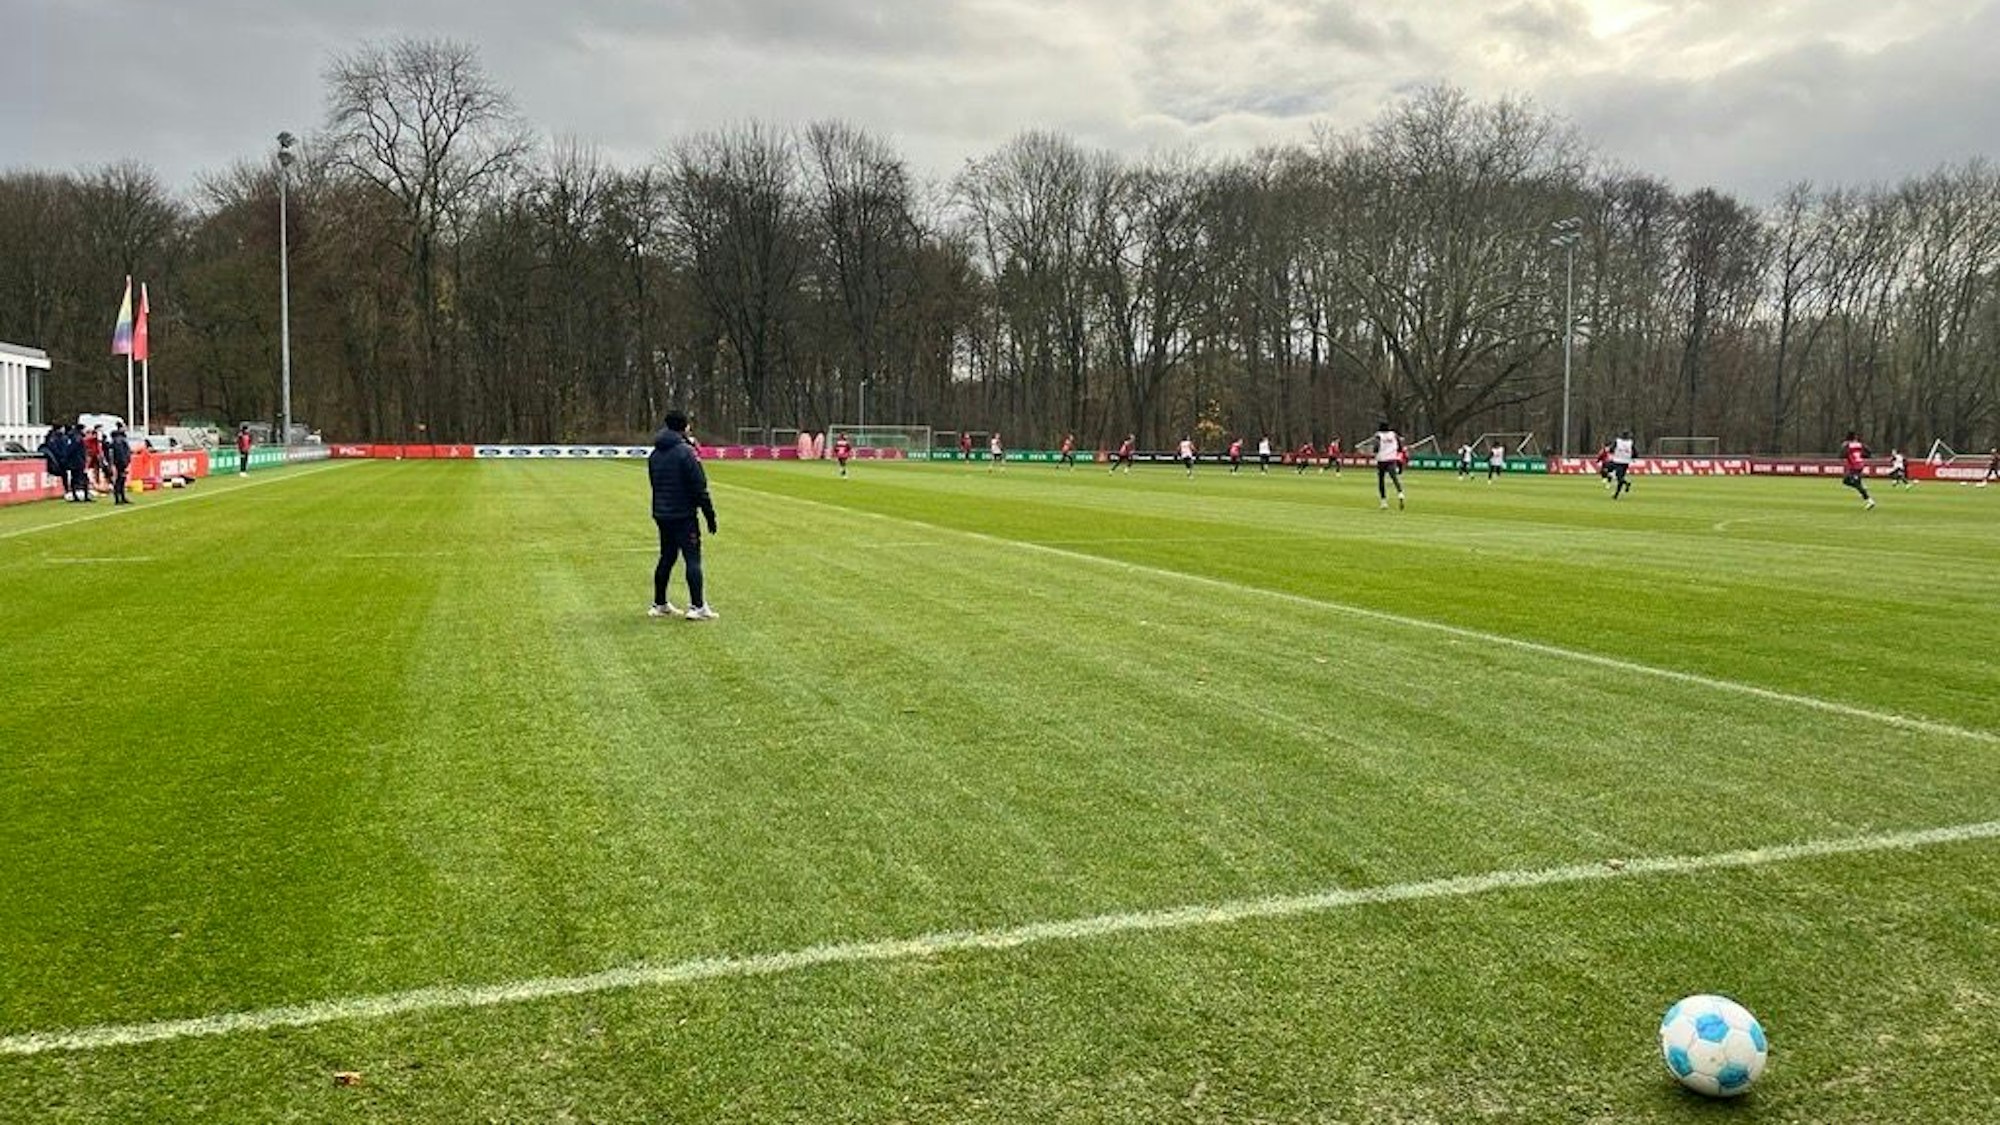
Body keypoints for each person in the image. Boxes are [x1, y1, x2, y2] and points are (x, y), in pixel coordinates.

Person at [648, 410, 719, 621]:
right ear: (684, 427)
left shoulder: (655, 454)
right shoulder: (685, 452)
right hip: (683, 514)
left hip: (662, 513)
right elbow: (699, 487)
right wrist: (709, 514)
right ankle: (697, 606)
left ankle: (659, 603)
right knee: (692, 559)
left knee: (667, 557)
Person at [1373, 421, 1405, 510]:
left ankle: (1383, 502)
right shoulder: (1393, 435)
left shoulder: (1379, 435)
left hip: (1382, 460)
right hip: (1392, 459)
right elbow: (1400, 447)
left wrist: (1375, 452)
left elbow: (1376, 447)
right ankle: (1400, 493)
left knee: (1381, 480)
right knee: (1394, 477)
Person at [1840, 431, 1875, 509]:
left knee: (1855, 483)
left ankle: (1870, 500)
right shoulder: (1860, 444)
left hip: (1854, 466)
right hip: (1859, 465)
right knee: (1845, 481)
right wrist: (1862, 455)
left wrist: (1848, 454)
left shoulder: (1847, 445)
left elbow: (1842, 455)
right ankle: (1862, 488)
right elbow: (1869, 452)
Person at [108, 425, 133, 505]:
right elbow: (122, 454)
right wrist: (125, 463)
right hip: (121, 464)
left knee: (120, 480)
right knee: (120, 480)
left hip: (119, 463)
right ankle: (119, 498)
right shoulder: (120, 442)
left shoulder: (115, 442)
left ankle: (120, 497)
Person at [1608, 430, 1636, 499]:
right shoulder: (1630, 442)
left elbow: (1611, 449)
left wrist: (1611, 450)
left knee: (1619, 477)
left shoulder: (1617, 441)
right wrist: (1632, 457)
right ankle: (1616, 494)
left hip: (1617, 461)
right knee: (1620, 477)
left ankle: (1626, 483)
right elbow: (1635, 453)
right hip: (1626, 462)